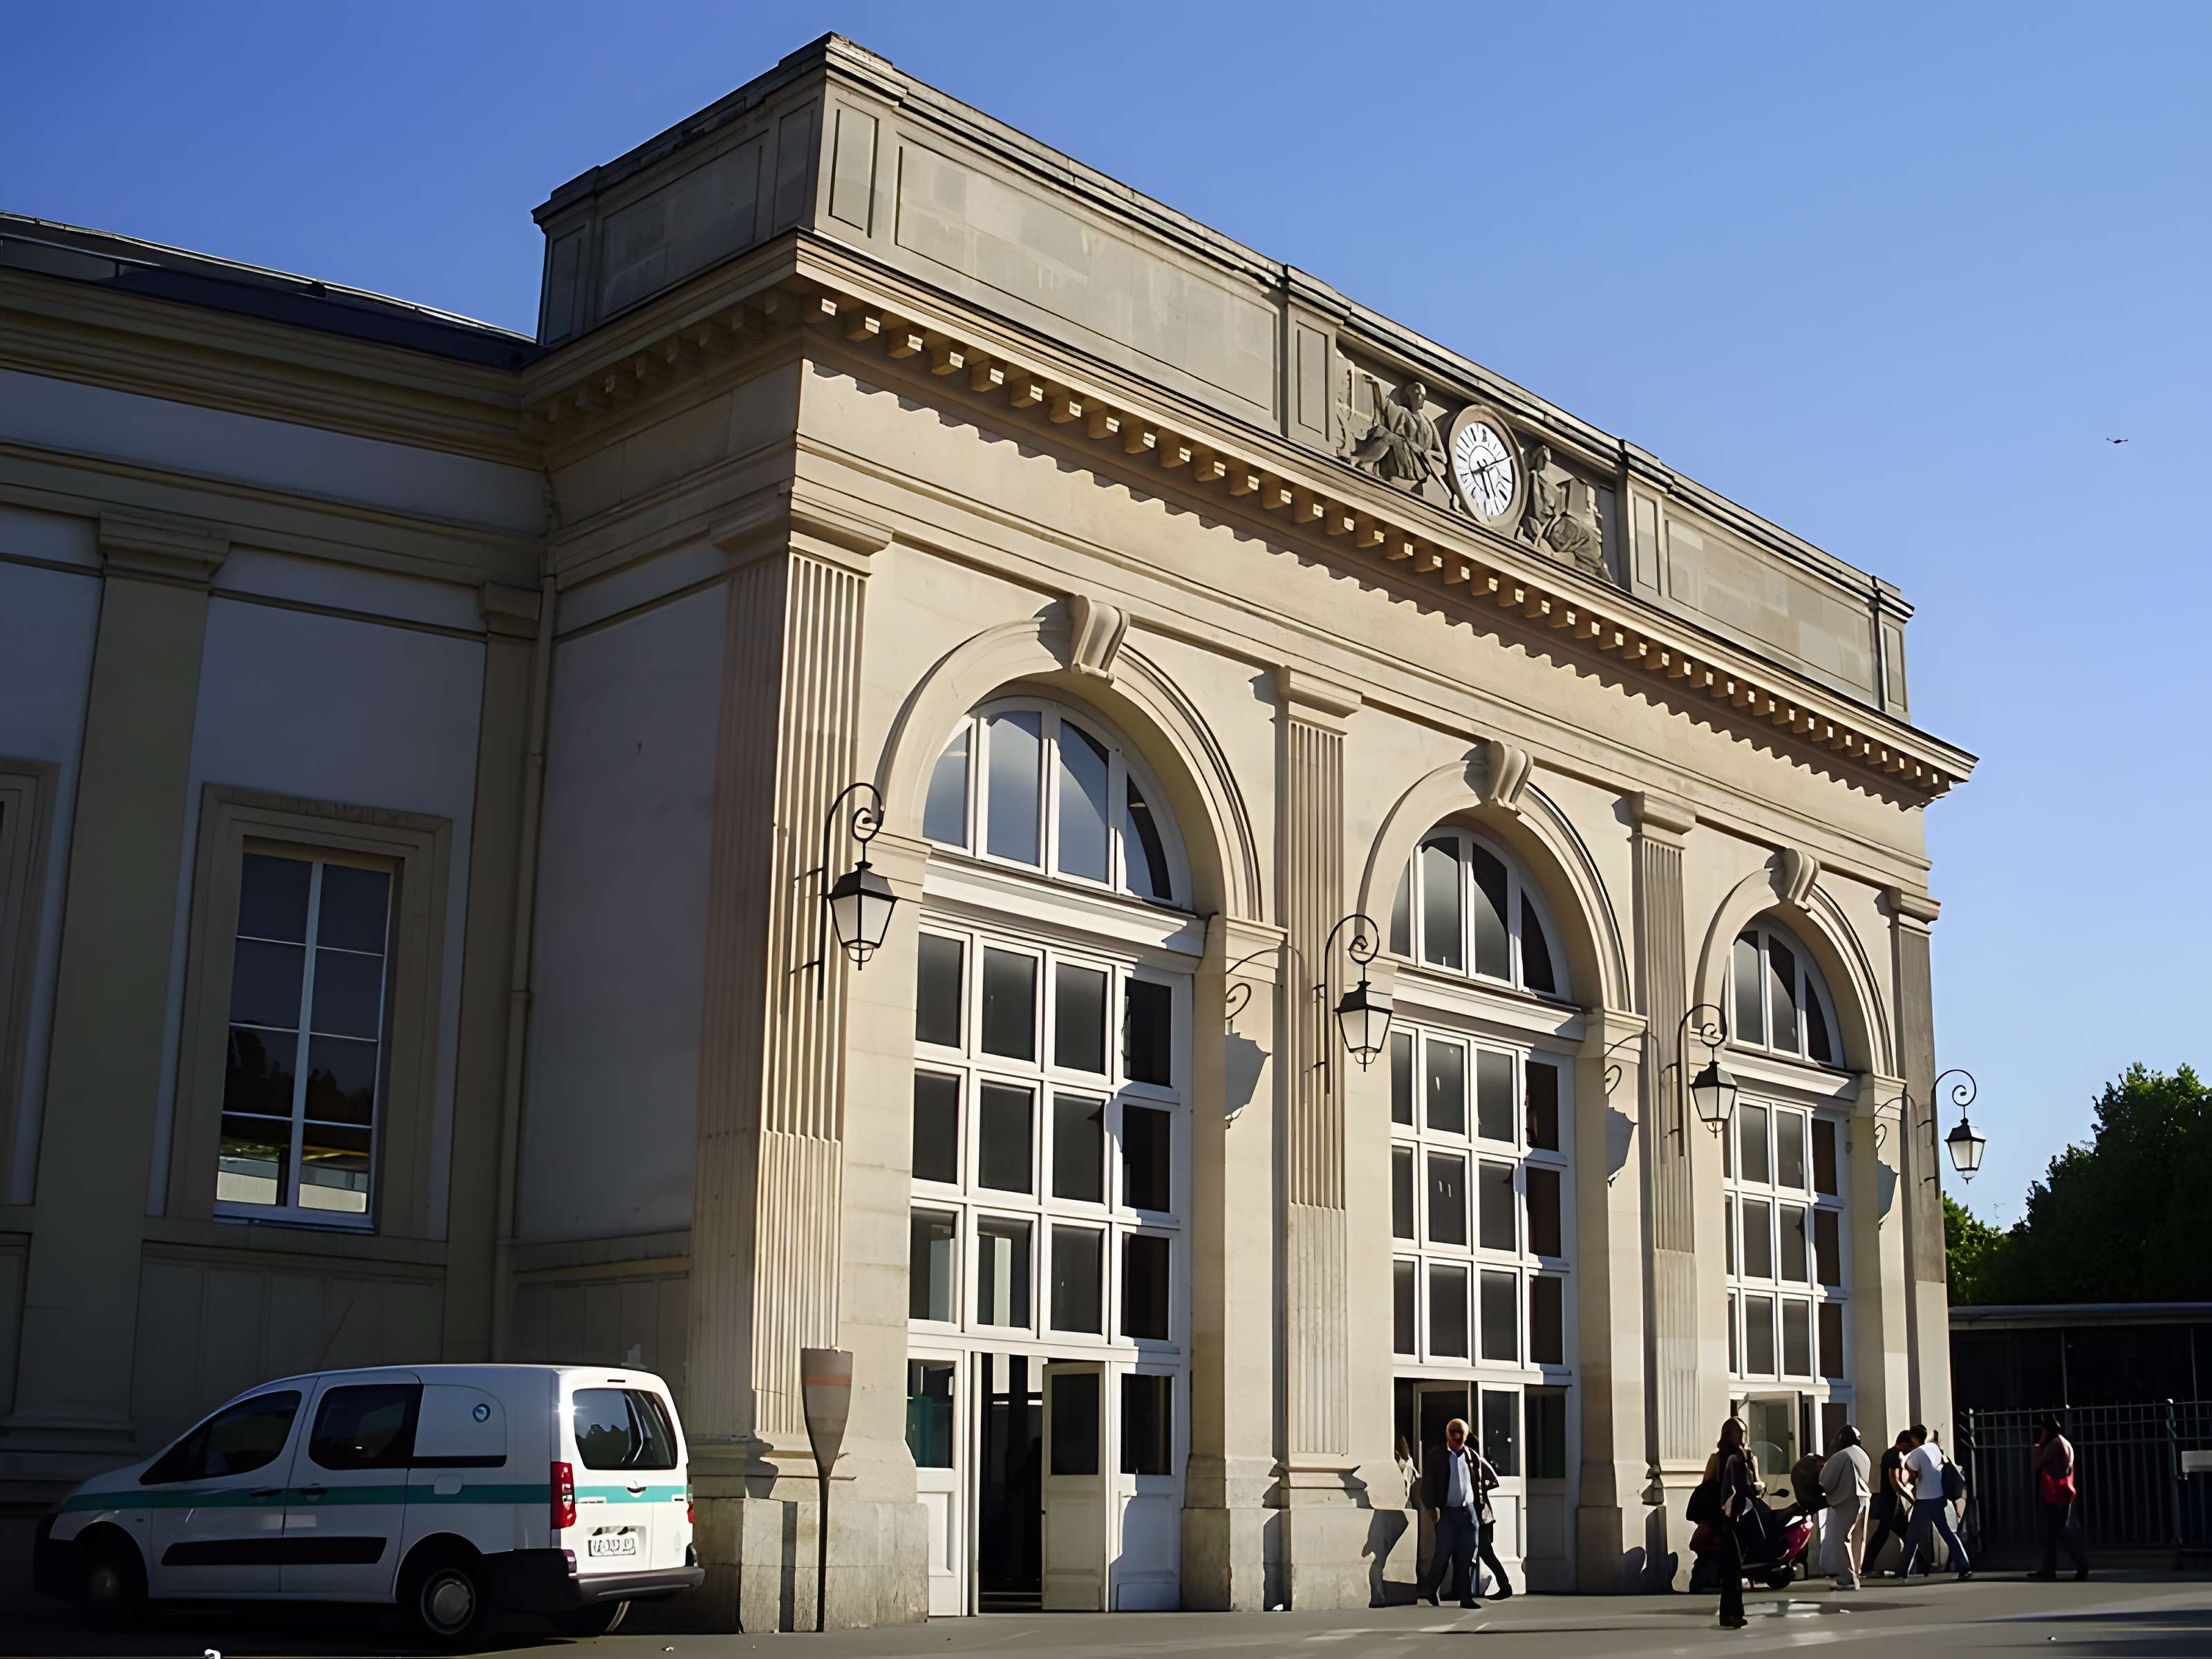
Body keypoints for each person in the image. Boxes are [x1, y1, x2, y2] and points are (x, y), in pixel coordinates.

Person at [1416, 1418, 1512, 1608]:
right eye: (1453, 1436)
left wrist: (1479, 1502)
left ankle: (1465, 1597)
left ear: (1466, 1437)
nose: (1456, 1440)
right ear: (1447, 1436)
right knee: (1443, 1554)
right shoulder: (1437, 1456)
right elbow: (1428, 1488)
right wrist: (1434, 1511)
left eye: (1460, 1437)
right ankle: (1431, 1589)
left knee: (1467, 1556)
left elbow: (1486, 1480)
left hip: (1470, 1513)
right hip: (1448, 1512)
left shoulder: (1473, 1457)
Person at [1898, 1425, 1973, 1581]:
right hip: (1939, 1497)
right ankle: (1964, 1566)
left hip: (1924, 1500)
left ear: (1913, 1438)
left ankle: (1902, 1570)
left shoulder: (1915, 1455)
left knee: (1912, 1536)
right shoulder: (1934, 1447)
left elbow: (1911, 1474)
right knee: (1947, 1532)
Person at [2027, 1415, 2089, 1582]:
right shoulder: (2066, 1443)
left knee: (2057, 1532)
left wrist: (2039, 1445)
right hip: (2062, 1492)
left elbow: (2037, 1463)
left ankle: (2079, 1565)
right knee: (2056, 1532)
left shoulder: (2054, 1444)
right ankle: (2052, 1568)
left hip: (2054, 1493)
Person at [1714, 1416, 1760, 1629]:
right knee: (1733, 1567)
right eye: (1735, 1433)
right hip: (1727, 1516)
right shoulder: (1727, 1459)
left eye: (1742, 1433)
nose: (1740, 1437)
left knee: (1732, 1567)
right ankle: (1733, 1613)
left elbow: (1753, 1485)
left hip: (1739, 1514)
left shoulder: (1746, 1457)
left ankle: (1727, 1614)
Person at [1819, 1425, 1872, 1591]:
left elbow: (1825, 1480)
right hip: (1864, 1499)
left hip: (1846, 1501)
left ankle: (1846, 1577)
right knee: (1858, 1539)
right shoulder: (1863, 1455)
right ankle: (1856, 1572)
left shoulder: (1841, 1456)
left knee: (1841, 1539)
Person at [1864, 1430, 1915, 1575]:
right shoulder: (1895, 1455)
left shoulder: (1890, 1454)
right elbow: (1895, 1480)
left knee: (1886, 1534)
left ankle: (1868, 1565)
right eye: (1909, 1446)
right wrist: (1910, 1496)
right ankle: (1918, 1566)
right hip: (1892, 1502)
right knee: (1906, 1534)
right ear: (1904, 1443)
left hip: (1889, 1501)